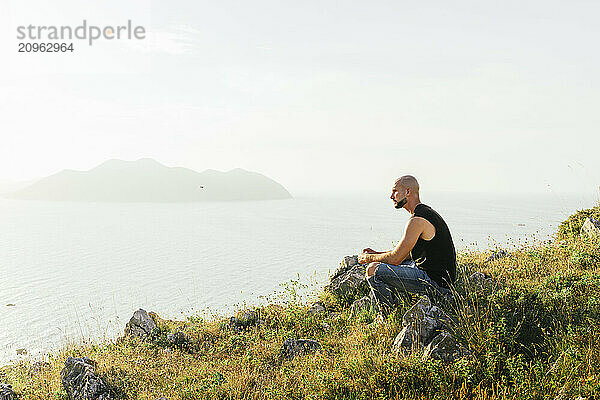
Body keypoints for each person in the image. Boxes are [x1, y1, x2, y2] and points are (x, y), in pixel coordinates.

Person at [357, 175, 456, 317]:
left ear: (408, 192)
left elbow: (396, 259)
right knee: (384, 263)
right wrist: (378, 253)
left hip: (435, 283)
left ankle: (387, 317)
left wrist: (368, 258)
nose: (391, 196)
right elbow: (406, 253)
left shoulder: (417, 220)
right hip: (437, 277)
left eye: (395, 191)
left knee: (372, 270)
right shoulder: (426, 213)